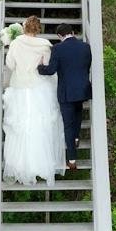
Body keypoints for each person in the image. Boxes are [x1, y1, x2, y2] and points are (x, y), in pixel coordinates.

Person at [2, 17, 66, 185]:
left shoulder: (16, 43)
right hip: (39, 87)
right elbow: (46, 66)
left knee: (20, 127)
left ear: (24, 27)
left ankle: (21, 166)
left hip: (20, 88)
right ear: (38, 29)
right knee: (40, 126)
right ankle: (41, 165)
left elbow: (9, 64)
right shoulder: (44, 45)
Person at [37, 23, 91, 171]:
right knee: (78, 112)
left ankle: (72, 160)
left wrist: (40, 66)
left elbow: (50, 70)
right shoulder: (85, 47)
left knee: (68, 125)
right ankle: (76, 137)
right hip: (82, 88)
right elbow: (87, 66)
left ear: (60, 36)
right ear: (73, 32)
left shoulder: (57, 48)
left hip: (66, 91)